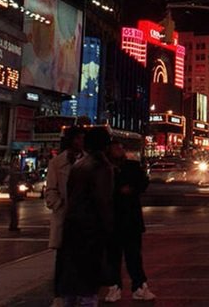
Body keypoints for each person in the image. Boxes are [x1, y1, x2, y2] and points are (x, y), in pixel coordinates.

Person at [57, 126, 114, 307]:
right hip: (92, 228)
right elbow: (103, 200)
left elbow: (70, 193)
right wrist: (109, 228)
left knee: (73, 278)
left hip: (73, 225)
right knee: (89, 281)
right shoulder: (102, 166)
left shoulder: (79, 164)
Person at [103, 140, 155, 302]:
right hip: (113, 219)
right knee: (114, 257)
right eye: (115, 147)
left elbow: (143, 183)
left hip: (130, 219)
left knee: (133, 256)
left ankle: (139, 286)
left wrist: (131, 189)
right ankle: (115, 287)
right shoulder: (105, 169)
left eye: (120, 147)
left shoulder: (131, 166)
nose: (119, 150)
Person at [47, 127, 85, 306]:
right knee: (62, 259)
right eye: (78, 138)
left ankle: (78, 292)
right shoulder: (56, 163)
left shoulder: (88, 161)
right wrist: (58, 205)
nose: (81, 141)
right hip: (65, 217)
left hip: (84, 217)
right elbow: (50, 191)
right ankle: (59, 295)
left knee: (82, 258)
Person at [7, 166, 25, 232]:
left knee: (14, 212)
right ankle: (13, 226)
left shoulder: (11, 177)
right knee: (14, 212)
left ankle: (13, 226)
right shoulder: (13, 178)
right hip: (13, 196)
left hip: (13, 196)